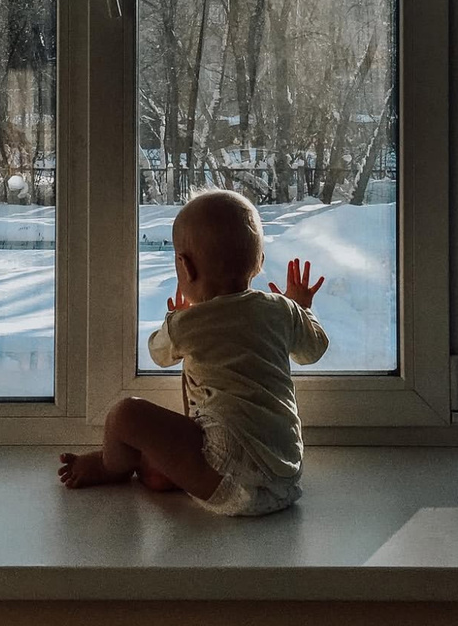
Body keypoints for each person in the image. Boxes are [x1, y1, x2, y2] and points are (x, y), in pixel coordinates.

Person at [58, 188, 328, 516]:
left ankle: (108, 464)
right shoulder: (282, 309)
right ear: (259, 261)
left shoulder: (188, 323)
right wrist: (302, 308)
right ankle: (153, 470)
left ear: (185, 267)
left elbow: (159, 353)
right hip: (284, 475)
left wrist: (177, 319)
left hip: (224, 466)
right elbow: (313, 350)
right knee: (161, 461)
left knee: (124, 414)